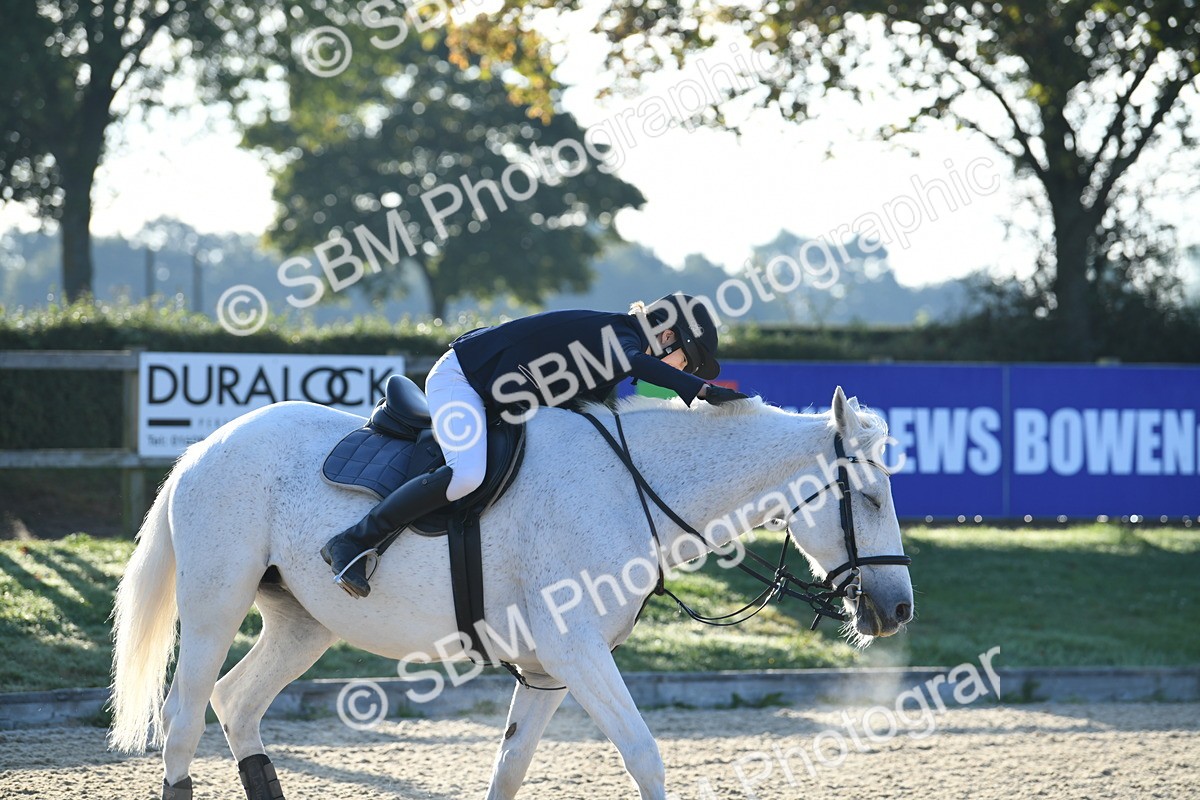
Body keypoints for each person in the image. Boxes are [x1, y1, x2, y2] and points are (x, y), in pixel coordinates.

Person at [321, 293, 749, 597]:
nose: (682, 368)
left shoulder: (616, 349)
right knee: (469, 473)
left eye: (688, 368)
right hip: (461, 381)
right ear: (668, 334)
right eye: (685, 359)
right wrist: (699, 390)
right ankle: (355, 541)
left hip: (493, 394)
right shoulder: (617, 335)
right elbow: (633, 361)